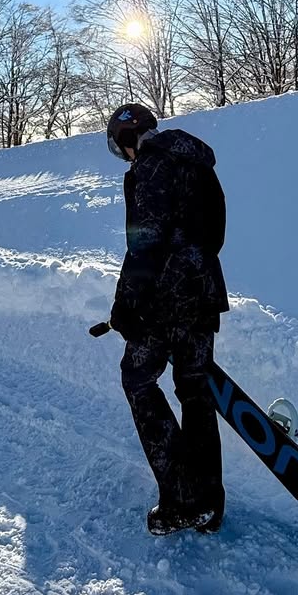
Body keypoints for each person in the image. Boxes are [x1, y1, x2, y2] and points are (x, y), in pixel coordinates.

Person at [106, 103, 229, 535]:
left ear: (127, 138)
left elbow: (146, 238)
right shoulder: (192, 160)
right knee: (195, 392)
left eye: (120, 149)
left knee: (137, 379)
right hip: (204, 290)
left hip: (166, 297)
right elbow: (213, 232)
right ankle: (208, 502)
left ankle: (182, 498)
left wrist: (127, 302)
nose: (125, 157)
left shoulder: (153, 163)